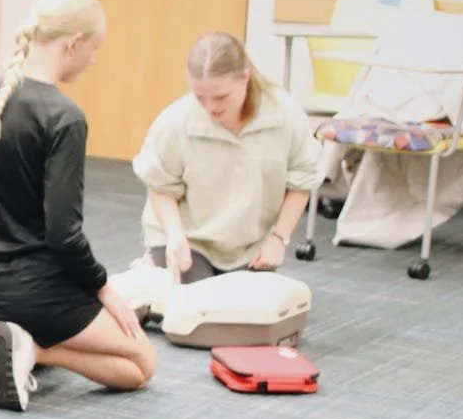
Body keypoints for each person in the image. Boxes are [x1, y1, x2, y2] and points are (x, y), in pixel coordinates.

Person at [0, 0, 153, 412]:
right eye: (95, 49)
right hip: (36, 294)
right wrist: (103, 288)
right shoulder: (65, 117)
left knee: (90, 341)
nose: (93, 60)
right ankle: (34, 348)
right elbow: (64, 234)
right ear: (73, 44)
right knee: (141, 365)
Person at [133, 32, 324, 282]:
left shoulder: (285, 115)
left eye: (221, 97)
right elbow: (160, 186)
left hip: (248, 246)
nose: (211, 107)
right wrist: (174, 236)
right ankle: (150, 272)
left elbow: (302, 180)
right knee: (197, 302)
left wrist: (279, 238)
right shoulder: (176, 120)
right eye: (200, 97)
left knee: (242, 303)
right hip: (188, 238)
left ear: (245, 78)